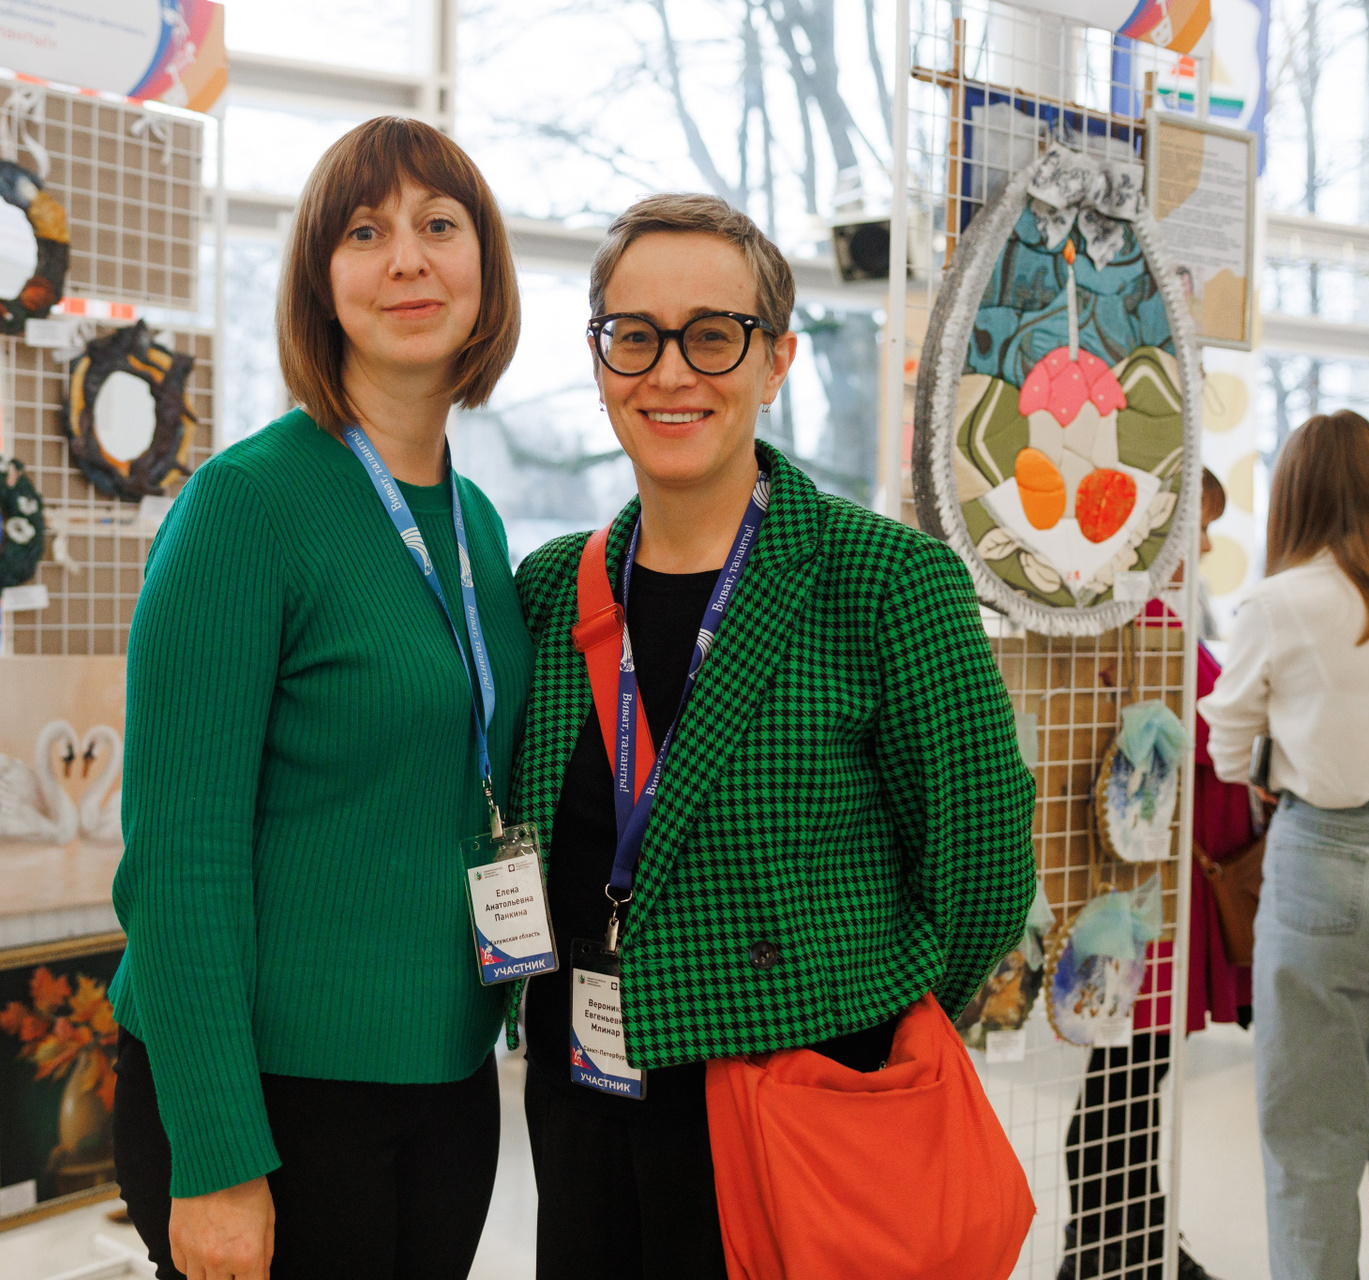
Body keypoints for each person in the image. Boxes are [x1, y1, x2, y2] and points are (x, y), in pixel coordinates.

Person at [506, 193, 1036, 1276]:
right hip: (583, 1094)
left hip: (793, 1098)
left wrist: (860, 1022)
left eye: (713, 335)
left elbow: (983, 871)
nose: (670, 373)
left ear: (776, 360)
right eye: (634, 336)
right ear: (600, 360)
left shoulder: (885, 582)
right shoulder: (553, 587)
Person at [107, 117, 531, 1280]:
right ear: (318, 279)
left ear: (485, 268)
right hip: (273, 1096)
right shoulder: (245, 506)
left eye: (438, 225)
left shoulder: (477, 524)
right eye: (365, 232)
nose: (408, 260)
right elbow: (180, 859)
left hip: (449, 1080)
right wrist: (217, 1154)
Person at [1199, 410, 1369, 1280]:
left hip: (1326, 864)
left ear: (1294, 494)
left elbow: (1228, 746)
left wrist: (1275, 765)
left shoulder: (1281, 602)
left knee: (1312, 1143)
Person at [1057, 468, 1249, 1280]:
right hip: (1154, 894)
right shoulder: (1147, 623)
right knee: (1125, 1088)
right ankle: (1119, 1251)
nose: (1204, 542)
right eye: (1196, 524)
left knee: (1132, 1086)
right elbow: (1206, 732)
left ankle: (1134, 1246)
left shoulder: (1158, 619)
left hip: (1165, 888)